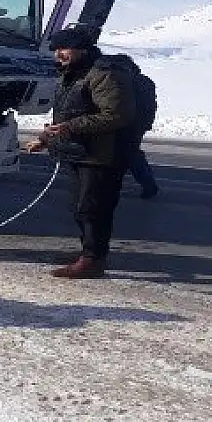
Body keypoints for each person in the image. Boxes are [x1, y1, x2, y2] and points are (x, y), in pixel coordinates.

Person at [26, 26, 136, 278]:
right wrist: (46, 139)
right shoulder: (74, 73)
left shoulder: (104, 74)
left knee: (93, 208)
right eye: (56, 50)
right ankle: (88, 253)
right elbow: (68, 113)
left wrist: (69, 127)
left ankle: (92, 260)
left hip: (102, 155)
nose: (58, 55)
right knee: (80, 207)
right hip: (81, 151)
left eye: (63, 49)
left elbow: (117, 115)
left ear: (81, 49)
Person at [116, 54, 160, 199]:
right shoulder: (144, 81)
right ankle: (147, 183)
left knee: (128, 154)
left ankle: (148, 184)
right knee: (129, 153)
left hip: (130, 124)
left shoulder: (129, 82)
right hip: (139, 124)